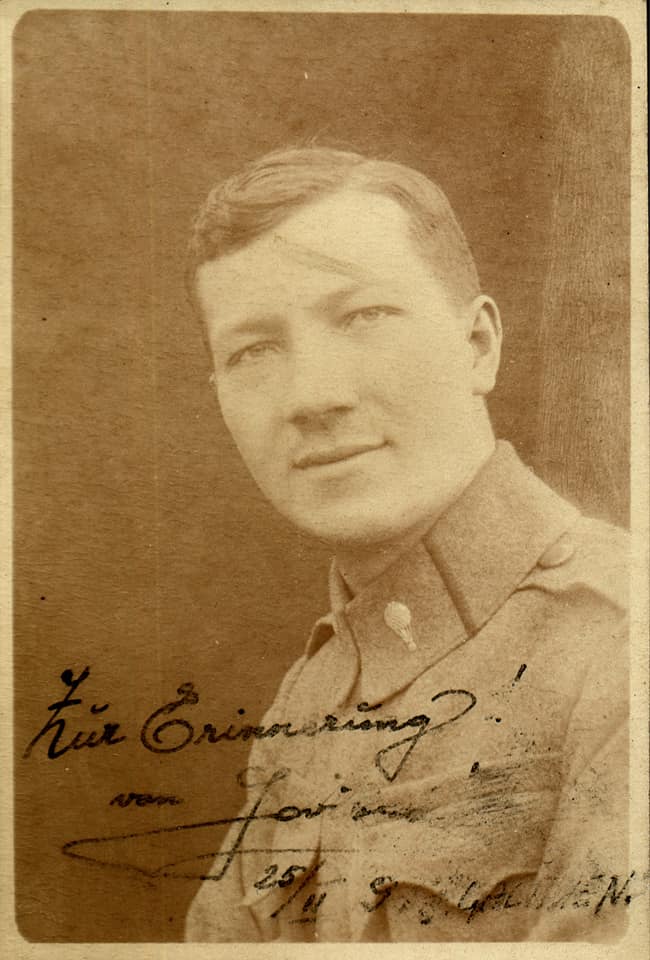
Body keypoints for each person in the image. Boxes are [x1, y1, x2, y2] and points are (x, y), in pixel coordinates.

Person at [183, 147, 629, 942]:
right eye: (254, 351)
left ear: (477, 345)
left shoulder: (621, 640)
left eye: (363, 318)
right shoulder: (311, 695)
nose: (313, 396)